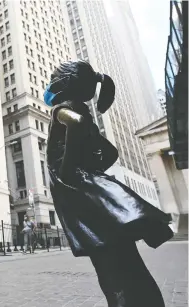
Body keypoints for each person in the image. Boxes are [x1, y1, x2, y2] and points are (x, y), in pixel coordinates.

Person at [44, 60, 173, 307]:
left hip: (85, 200)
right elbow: (111, 152)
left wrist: (69, 169)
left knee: (112, 275)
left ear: (64, 84)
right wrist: (91, 170)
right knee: (129, 265)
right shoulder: (84, 112)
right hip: (95, 197)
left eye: (52, 78)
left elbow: (76, 124)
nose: (49, 84)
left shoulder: (62, 109)